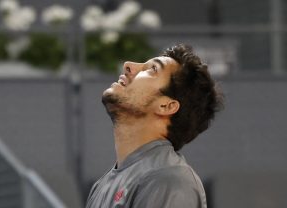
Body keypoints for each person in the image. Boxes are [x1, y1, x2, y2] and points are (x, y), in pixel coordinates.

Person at [85, 44, 223, 208]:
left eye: (152, 69)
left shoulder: (168, 179)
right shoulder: (102, 185)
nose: (128, 65)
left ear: (166, 106)